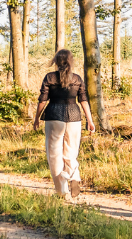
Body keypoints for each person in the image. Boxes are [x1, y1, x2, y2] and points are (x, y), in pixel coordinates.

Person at [31, 49, 95, 202]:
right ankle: (74, 175)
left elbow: (42, 100)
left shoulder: (49, 78)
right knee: (71, 151)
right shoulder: (77, 79)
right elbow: (83, 100)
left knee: (54, 154)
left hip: (54, 116)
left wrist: (37, 118)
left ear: (56, 61)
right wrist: (90, 120)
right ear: (70, 61)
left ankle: (62, 191)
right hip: (74, 117)